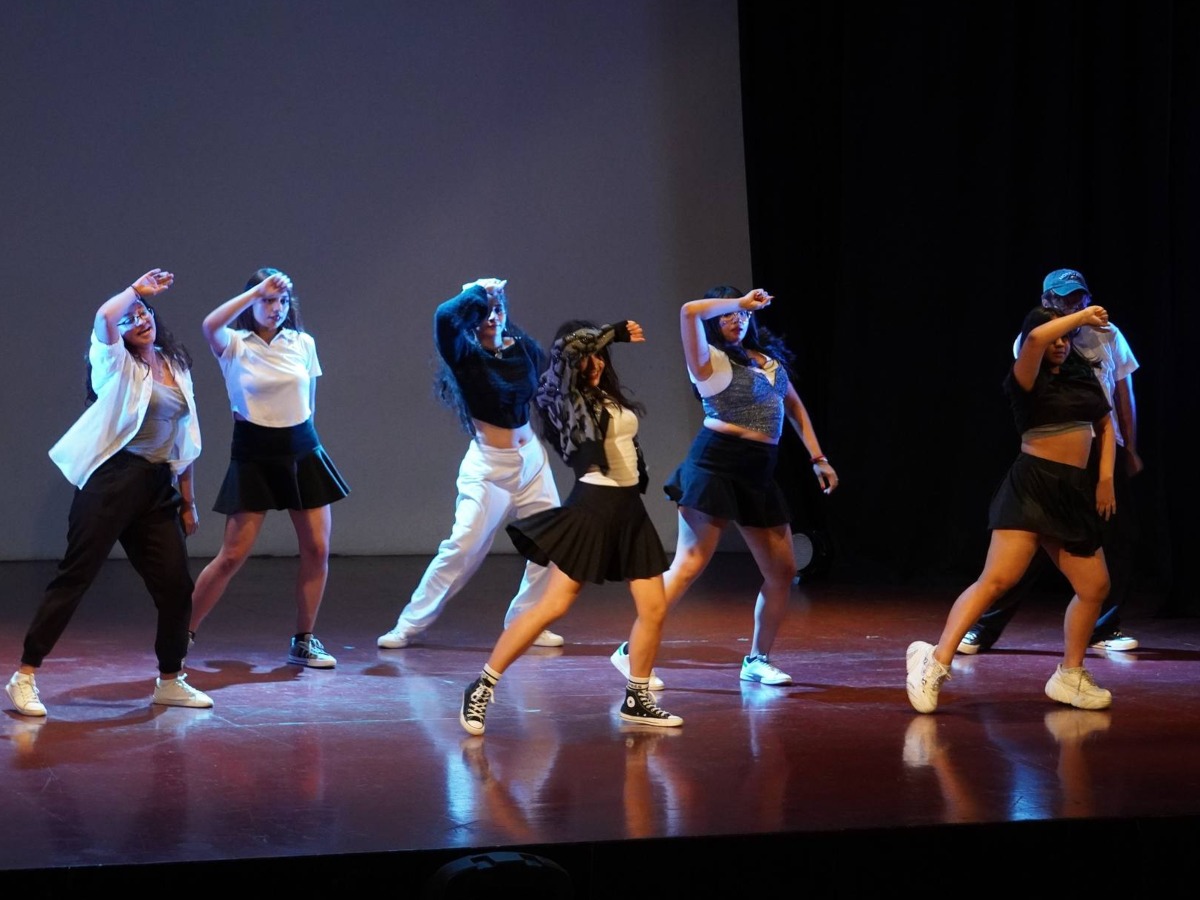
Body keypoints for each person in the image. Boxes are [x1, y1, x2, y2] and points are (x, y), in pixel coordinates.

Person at [610, 286, 839, 691]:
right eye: (729, 314)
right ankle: (631, 651)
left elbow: (794, 406)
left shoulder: (768, 362)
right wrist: (739, 303)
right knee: (690, 565)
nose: (738, 320)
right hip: (714, 464)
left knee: (782, 571)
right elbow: (688, 310)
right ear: (715, 320)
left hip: (757, 471)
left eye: (744, 315)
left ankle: (757, 660)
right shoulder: (707, 360)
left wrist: (818, 457)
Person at [6, 269, 212, 717]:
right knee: (76, 576)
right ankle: (24, 675)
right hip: (113, 481)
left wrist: (188, 499)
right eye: (130, 318)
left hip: (157, 486)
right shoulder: (115, 364)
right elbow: (104, 317)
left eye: (144, 313)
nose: (140, 320)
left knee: (177, 586)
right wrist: (135, 291)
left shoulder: (175, 364)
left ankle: (171, 679)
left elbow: (185, 435)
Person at [459, 319, 682, 735]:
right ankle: (482, 687)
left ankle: (637, 698)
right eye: (587, 357)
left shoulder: (606, 396)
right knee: (553, 606)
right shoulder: (561, 398)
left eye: (600, 356)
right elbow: (565, 353)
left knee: (654, 608)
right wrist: (611, 332)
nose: (594, 363)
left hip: (629, 511)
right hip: (592, 508)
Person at [906, 302, 1118, 714]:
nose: (1060, 343)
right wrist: (1080, 318)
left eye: (1066, 338)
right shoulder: (1026, 375)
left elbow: (1105, 427)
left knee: (1095, 587)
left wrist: (1105, 479)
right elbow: (1036, 337)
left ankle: (1070, 674)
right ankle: (934, 661)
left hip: (1071, 492)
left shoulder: (1082, 377)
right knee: (998, 580)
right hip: (1032, 486)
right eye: (1055, 337)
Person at [957, 268, 1143, 655]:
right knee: (1025, 553)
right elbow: (1036, 354)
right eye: (1065, 299)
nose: (1074, 304)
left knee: (1112, 541)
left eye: (1080, 298)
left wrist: (1129, 448)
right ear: (1048, 301)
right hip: (1052, 459)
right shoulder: (1038, 337)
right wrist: (1080, 318)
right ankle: (985, 627)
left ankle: (1103, 629)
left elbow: (1122, 394)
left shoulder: (1108, 335)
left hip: (1101, 450)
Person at [377, 278, 563, 650]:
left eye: (498, 309)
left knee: (553, 544)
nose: (492, 317)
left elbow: (550, 380)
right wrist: (477, 292)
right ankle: (408, 625)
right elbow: (444, 318)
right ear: (472, 318)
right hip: (489, 469)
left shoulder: (523, 348)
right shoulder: (464, 356)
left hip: (531, 461)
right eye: (483, 313)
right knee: (462, 547)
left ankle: (526, 622)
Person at [187, 268, 349, 668]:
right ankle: (180, 634)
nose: (276, 308)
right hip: (254, 452)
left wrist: (303, 440)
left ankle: (304, 640)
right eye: (267, 300)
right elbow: (209, 324)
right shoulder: (234, 343)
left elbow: (310, 402)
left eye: (282, 301)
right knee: (232, 555)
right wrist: (255, 291)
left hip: (301, 449)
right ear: (253, 302)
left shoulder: (303, 343)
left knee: (317, 549)